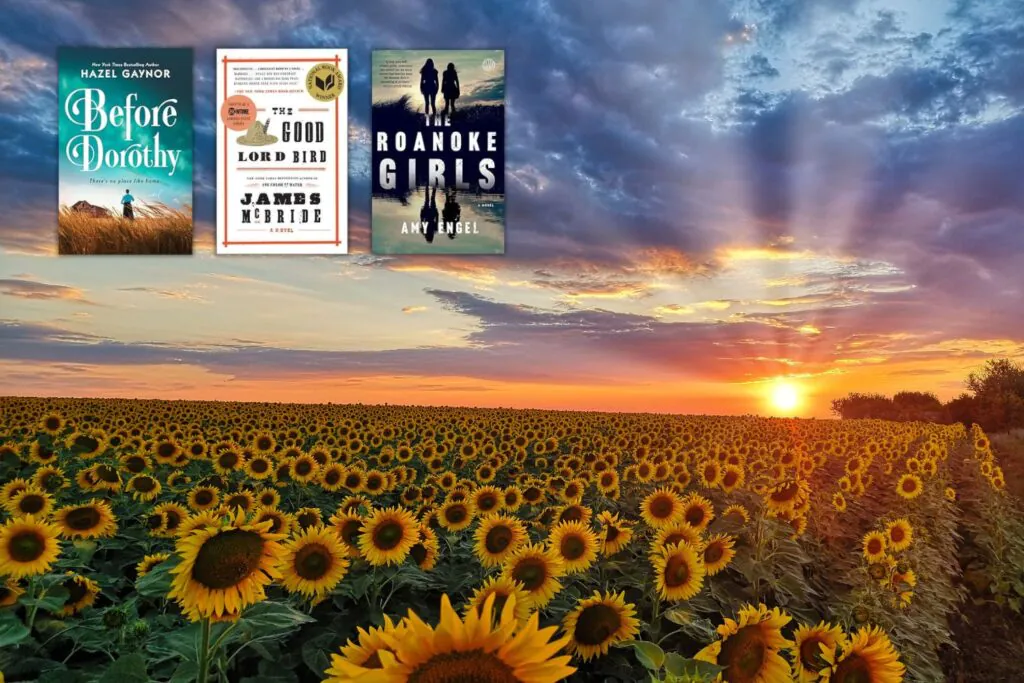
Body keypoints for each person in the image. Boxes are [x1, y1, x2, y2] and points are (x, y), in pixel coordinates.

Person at [419, 58, 439, 124]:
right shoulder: (425, 71)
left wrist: (437, 89)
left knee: (430, 103)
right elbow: (422, 81)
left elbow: (436, 81)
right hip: (428, 87)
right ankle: (429, 117)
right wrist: (421, 88)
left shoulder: (434, 71)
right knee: (429, 103)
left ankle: (433, 117)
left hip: (430, 87)